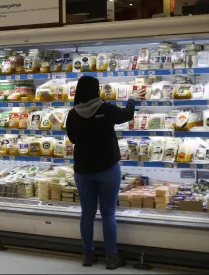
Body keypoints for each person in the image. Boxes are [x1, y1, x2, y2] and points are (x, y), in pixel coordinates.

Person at [66, 76, 141, 270]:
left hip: (83, 171)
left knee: (87, 214)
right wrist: (132, 99)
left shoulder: (73, 113)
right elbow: (127, 115)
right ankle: (111, 257)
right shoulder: (104, 108)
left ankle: (88, 255)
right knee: (108, 213)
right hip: (107, 169)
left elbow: (72, 139)